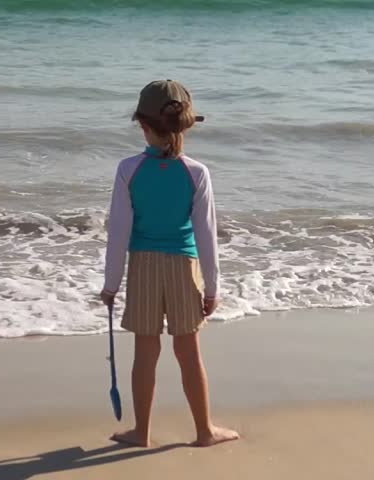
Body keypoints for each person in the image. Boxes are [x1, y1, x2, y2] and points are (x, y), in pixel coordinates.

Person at [99, 80, 239, 448]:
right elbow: (206, 236)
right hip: (184, 265)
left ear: (142, 125)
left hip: (143, 266)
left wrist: (111, 285)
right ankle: (205, 431)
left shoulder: (128, 169)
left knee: (145, 354)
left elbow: (119, 233)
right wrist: (212, 289)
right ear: (186, 126)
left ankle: (141, 432)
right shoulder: (197, 173)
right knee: (188, 353)